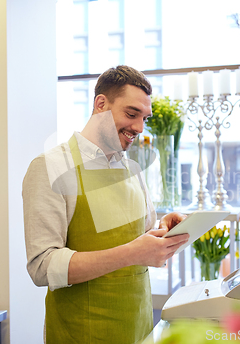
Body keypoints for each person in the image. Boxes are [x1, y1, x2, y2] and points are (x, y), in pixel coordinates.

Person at [23, 65, 189, 343]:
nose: (139, 127)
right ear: (101, 104)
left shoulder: (132, 168)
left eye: (144, 118)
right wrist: (133, 253)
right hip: (81, 333)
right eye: (131, 113)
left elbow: (138, 242)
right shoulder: (50, 166)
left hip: (139, 328)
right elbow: (42, 267)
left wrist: (163, 230)